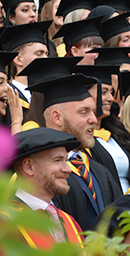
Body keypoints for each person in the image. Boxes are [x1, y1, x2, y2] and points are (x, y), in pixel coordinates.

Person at [29, 73, 121, 230]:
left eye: (93, 111)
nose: (93, 119)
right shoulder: (40, 174)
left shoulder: (99, 170)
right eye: (84, 112)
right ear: (57, 118)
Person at [0, 128, 83, 256]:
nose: (67, 169)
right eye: (57, 160)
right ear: (29, 167)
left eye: (66, 160)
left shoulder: (69, 221)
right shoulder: (1, 225)